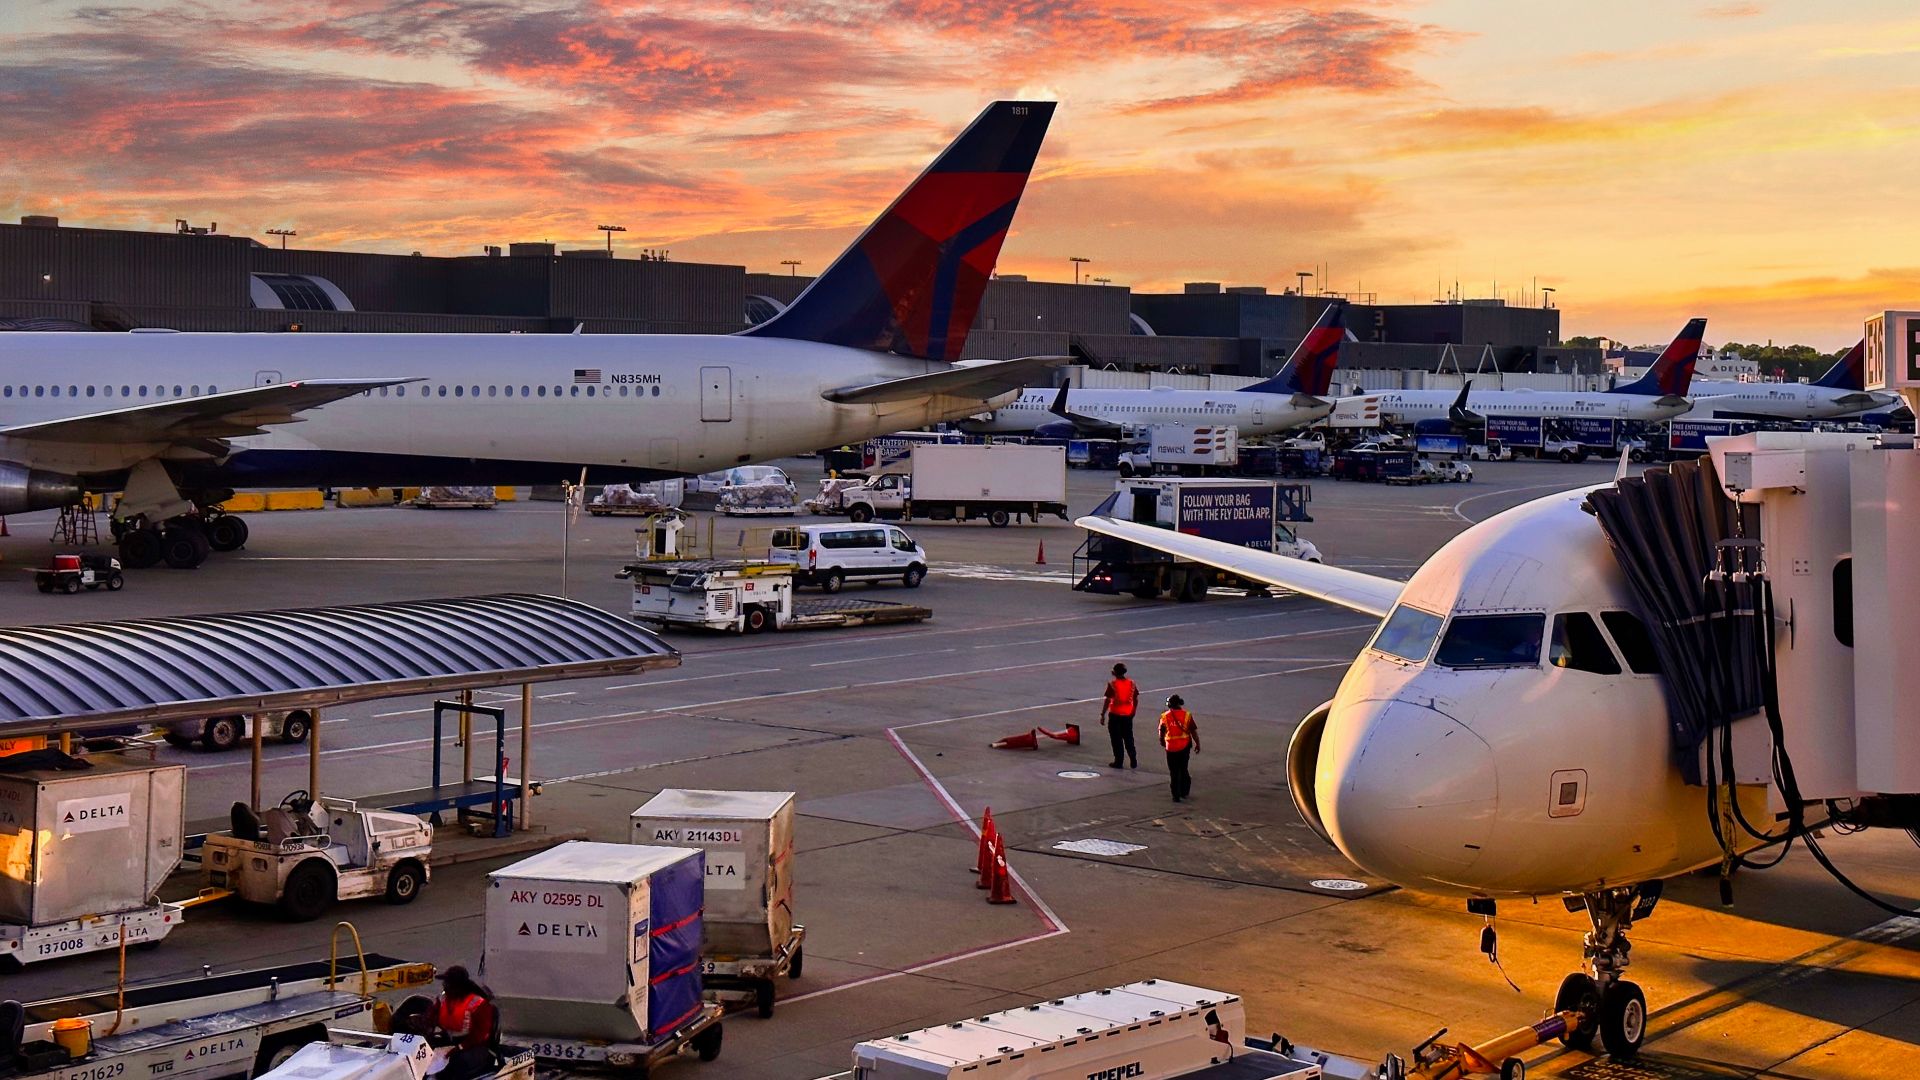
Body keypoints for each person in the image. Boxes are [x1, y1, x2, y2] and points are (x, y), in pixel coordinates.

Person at [429, 965, 495, 1080]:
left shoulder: (478, 1003)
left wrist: (459, 1047)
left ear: (458, 987)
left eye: (448, 983)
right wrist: (422, 1022)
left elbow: (481, 1034)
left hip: (474, 1046)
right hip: (449, 1041)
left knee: (454, 1065)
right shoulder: (443, 998)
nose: (444, 985)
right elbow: (432, 1016)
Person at [1158, 694, 1199, 801]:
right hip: (1184, 746)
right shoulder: (1187, 715)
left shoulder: (1165, 716)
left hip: (1170, 747)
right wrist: (1197, 743)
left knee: (1174, 771)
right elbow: (1193, 731)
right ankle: (1184, 791)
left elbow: (1161, 731)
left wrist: (1162, 741)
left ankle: (1175, 795)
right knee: (1183, 769)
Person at [1100, 663, 1139, 769]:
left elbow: (1107, 700)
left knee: (1116, 739)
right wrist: (1133, 711)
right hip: (1127, 715)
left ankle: (1119, 761)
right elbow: (1135, 699)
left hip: (1115, 715)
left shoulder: (1113, 684)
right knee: (1128, 737)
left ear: (1114, 672)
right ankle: (1133, 758)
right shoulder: (1131, 683)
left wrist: (1103, 714)